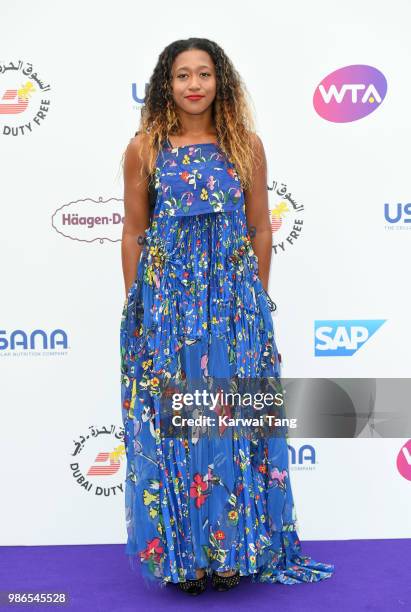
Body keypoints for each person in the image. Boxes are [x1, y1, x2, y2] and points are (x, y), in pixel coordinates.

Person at [120, 37, 335, 596]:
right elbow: (132, 232)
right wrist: (138, 307)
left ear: (221, 81)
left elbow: (262, 227)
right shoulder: (144, 148)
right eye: (183, 75)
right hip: (170, 306)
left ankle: (232, 552)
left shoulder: (246, 145)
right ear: (167, 84)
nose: (194, 84)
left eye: (205, 74)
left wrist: (255, 299)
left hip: (233, 305)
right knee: (179, 424)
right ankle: (185, 558)